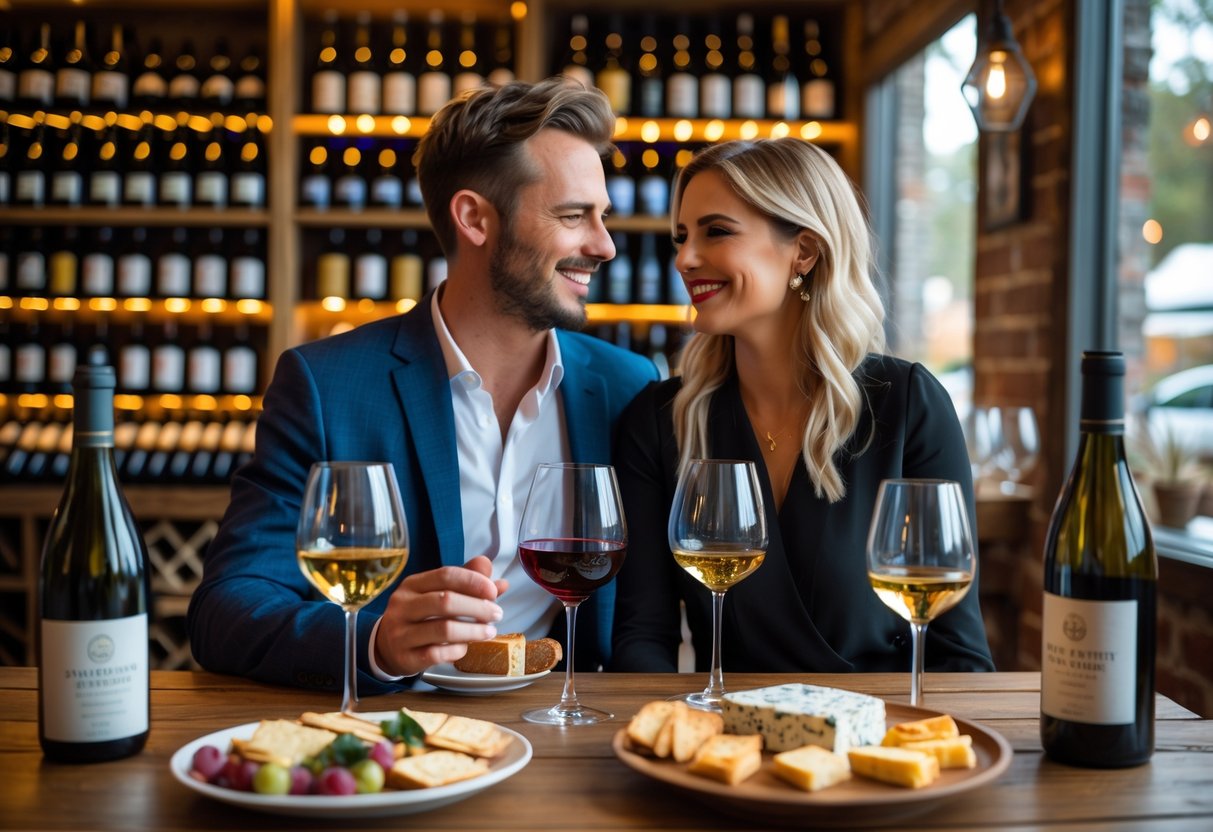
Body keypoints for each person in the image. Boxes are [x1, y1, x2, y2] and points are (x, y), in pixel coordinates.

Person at [188, 78, 658, 694]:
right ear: (473, 218)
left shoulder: (628, 386)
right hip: (396, 735)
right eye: (573, 216)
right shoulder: (325, 385)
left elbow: (638, 624)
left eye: (602, 217)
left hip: (566, 731)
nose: (604, 245)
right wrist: (377, 643)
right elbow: (226, 607)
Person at [610, 138, 994, 674]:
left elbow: (959, 655)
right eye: (681, 236)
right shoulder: (659, 421)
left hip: (871, 743)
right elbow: (641, 640)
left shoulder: (907, 406)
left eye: (716, 231)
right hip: (725, 747)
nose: (684, 258)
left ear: (805, 251)